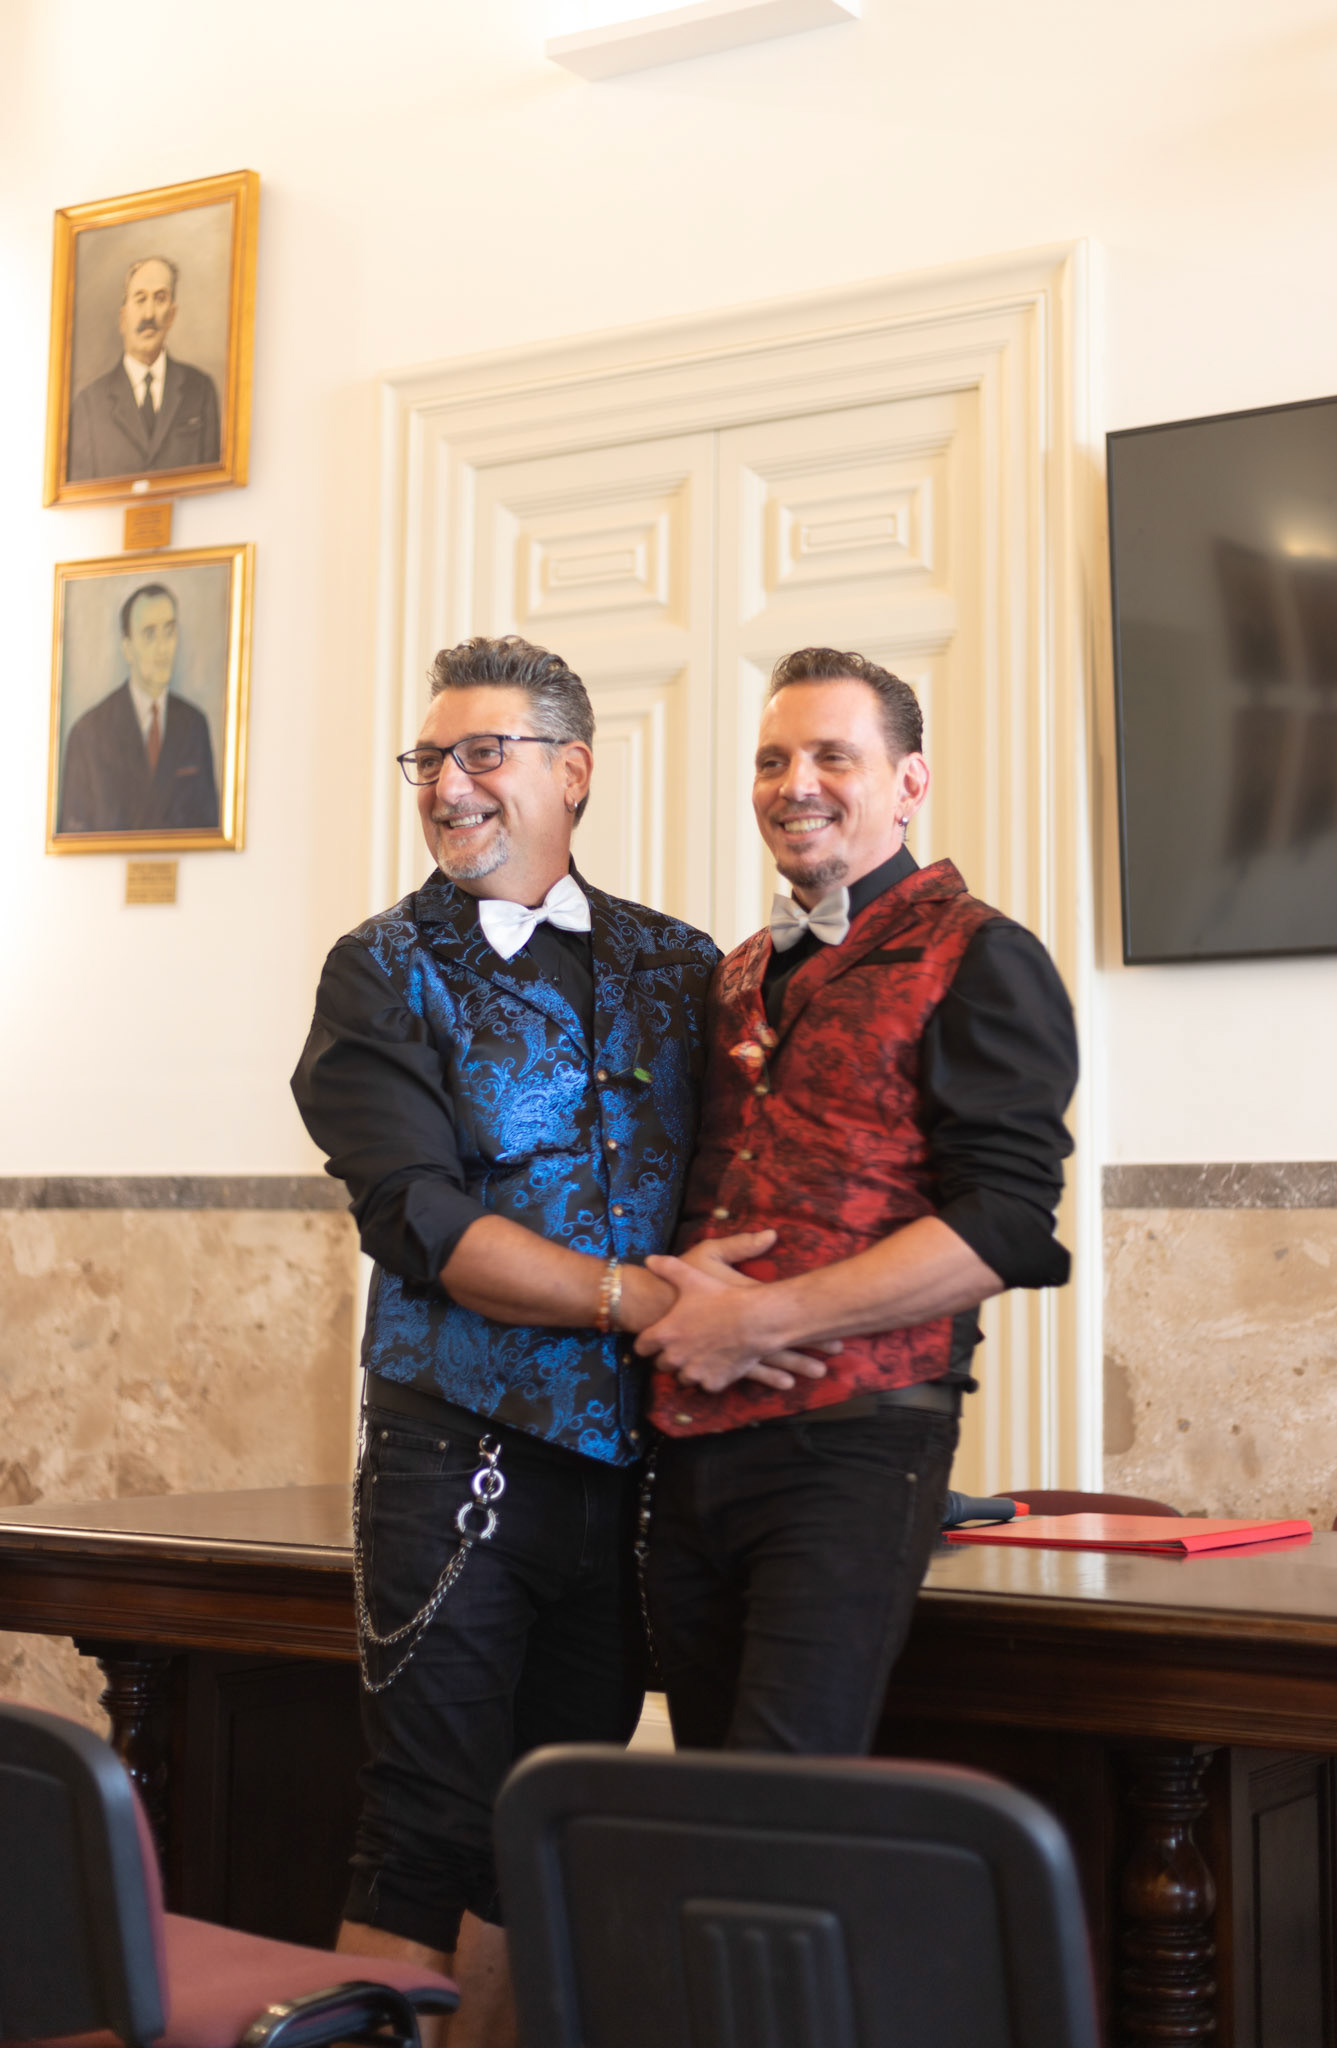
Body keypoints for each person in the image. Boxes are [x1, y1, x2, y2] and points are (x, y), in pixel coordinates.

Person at [290, 636, 817, 2046]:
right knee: (425, 1831)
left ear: (572, 771)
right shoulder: (380, 970)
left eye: (484, 753)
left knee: (546, 1832)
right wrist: (640, 1300)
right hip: (452, 1465)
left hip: (635, 1478)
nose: (448, 786)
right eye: (429, 759)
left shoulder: (682, 963)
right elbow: (422, 1220)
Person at [636, 645, 1079, 1756]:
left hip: (855, 1447)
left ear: (908, 781)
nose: (796, 785)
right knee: (701, 1795)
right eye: (772, 760)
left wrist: (764, 1317)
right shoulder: (734, 970)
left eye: (834, 755)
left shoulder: (982, 954)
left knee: (784, 1796)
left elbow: (1005, 1225)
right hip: (686, 1448)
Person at [57, 583, 219, 834]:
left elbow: (209, 827)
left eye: (169, 632)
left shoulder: (194, 724)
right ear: (128, 649)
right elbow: (73, 835)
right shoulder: (88, 733)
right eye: (149, 635)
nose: (163, 649)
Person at [67, 256, 221, 482]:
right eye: (140, 299)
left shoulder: (200, 390)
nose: (149, 314)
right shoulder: (89, 406)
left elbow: (211, 484)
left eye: (160, 299)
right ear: (123, 317)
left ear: (172, 314)